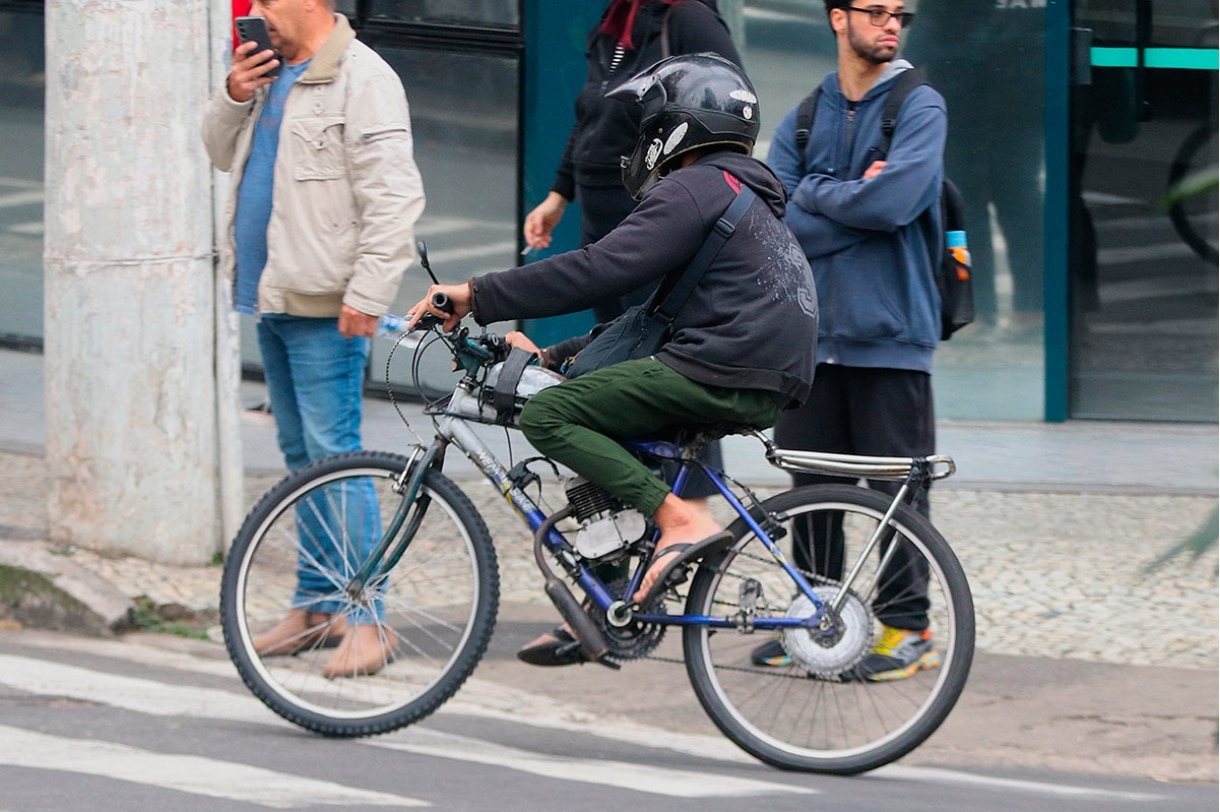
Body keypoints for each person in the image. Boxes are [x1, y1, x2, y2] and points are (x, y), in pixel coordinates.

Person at [409, 54, 818, 666]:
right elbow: (648, 321)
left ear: (679, 128)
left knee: (550, 417)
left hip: (725, 365)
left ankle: (681, 522)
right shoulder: (733, 191)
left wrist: (478, 295)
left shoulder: (696, 186)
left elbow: (597, 268)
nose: (638, 141)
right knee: (587, 404)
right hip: (752, 367)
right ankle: (605, 607)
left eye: (646, 125)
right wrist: (550, 353)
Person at [202, 0, 425, 678]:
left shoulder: (363, 77)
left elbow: (395, 195)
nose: (257, 11)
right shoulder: (266, 70)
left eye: (268, 1)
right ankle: (316, 604)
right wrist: (234, 95)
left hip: (327, 303)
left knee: (337, 456)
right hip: (273, 292)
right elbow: (216, 150)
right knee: (302, 457)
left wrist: (368, 291)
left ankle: (368, 617)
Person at [758, 0, 946, 682]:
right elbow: (773, 220)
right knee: (813, 492)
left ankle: (907, 627)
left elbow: (897, 204)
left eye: (903, 14)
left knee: (898, 495)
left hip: (891, 338)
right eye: (877, 10)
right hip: (810, 341)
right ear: (838, 17)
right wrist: (848, 199)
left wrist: (814, 194)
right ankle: (817, 621)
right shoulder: (805, 114)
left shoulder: (920, 107)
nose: (892, 24)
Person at [523, 0, 742, 510]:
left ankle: (692, 509)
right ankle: (638, 509)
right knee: (618, 363)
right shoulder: (614, 24)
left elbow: (732, 107)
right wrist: (559, 195)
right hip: (605, 217)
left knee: (666, 362)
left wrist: (694, 194)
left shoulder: (687, 17)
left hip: (655, 217)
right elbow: (590, 116)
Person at [903, 0, 1044, 334]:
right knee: (1018, 201)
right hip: (1018, 95)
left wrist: (906, 76)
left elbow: (930, 28)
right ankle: (1030, 306)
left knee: (970, 207)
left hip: (965, 95)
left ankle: (979, 307)